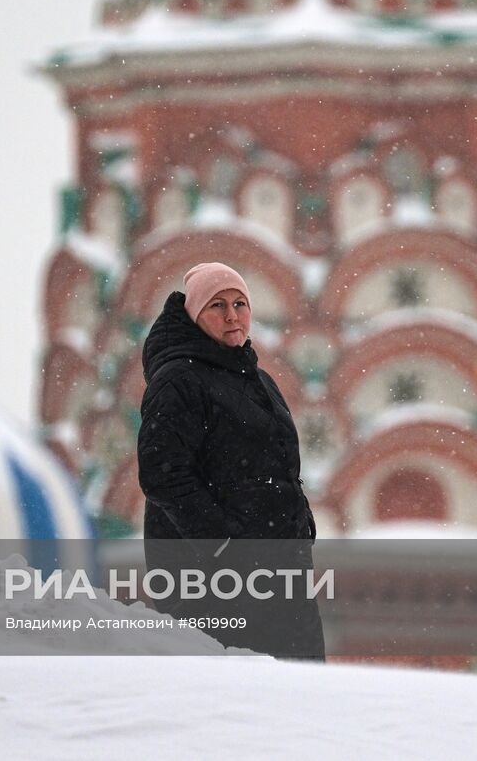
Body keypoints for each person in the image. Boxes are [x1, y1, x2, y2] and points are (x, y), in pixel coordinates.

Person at [136, 262, 324, 659]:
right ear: (194, 316)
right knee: (238, 694)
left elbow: (280, 465)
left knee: (298, 692)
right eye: (216, 305)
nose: (232, 315)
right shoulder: (178, 380)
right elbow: (163, 475)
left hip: (276, 568)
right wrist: (222, 544)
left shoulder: (257, 378)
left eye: (240, 303)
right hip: (214, 577)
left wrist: (300, 522)